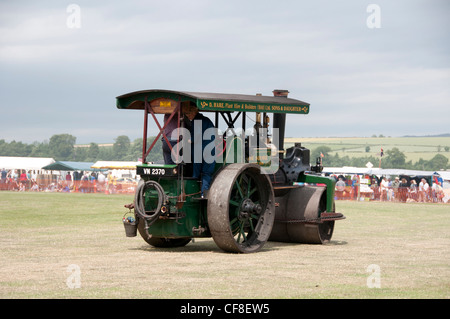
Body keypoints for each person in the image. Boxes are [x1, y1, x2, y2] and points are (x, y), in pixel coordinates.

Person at [185, 105, 216, 197]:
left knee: (196, 174)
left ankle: (193, 194)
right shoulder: (207, 120)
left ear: (194, 112)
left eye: (188, 113)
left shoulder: (196, 121)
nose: (187, 116)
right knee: (206, 173)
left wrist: (187, 140)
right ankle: (204, 194)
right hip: (210, 151)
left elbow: (195, 138)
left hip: (200, 151)